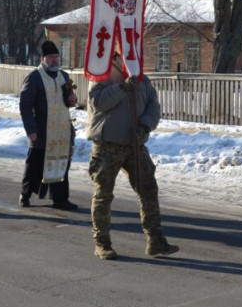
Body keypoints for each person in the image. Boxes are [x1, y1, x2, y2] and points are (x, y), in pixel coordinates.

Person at [86, 51, 179, 260]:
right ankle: (102, 243)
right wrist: (122, 87)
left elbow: (153, 106)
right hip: (108, 144)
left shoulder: (140, 77)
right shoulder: (101, 73)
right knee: (103, 194)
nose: (133, 56)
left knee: (148, 188)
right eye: (126, 53)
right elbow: (98, 102)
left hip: (135, 144)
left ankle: (155, 240)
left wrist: (145, 126)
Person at [18, 41, 78, 211]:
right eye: (51, 57)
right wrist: (30, 129)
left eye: (56, 57)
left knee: (61, 163)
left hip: (61, 130)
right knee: (35, 165)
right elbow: (25, 105)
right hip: (41, 131)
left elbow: (69, 100)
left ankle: (60, 199)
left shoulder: (64, 76)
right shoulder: (34, 77)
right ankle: (25, 194)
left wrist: (72, 99)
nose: (54, 60)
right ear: (43, 58)